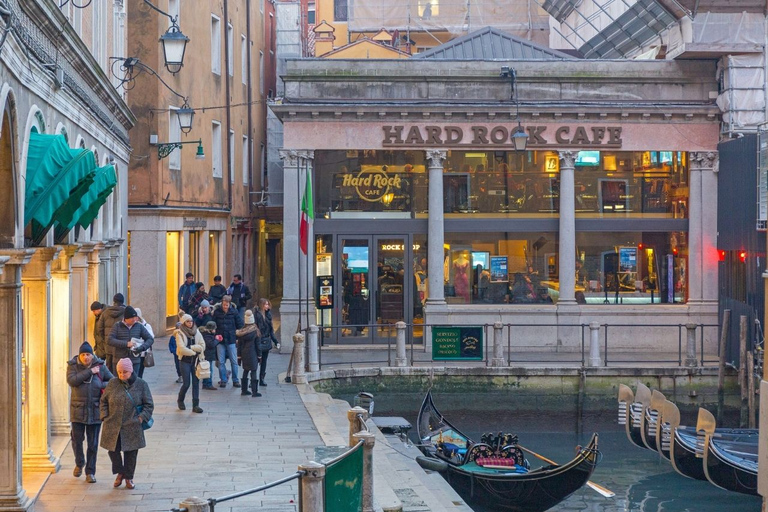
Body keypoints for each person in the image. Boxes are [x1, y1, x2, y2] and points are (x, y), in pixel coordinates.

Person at [100, 357, 153, 490]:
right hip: (112, 423)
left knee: (131, 453)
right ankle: (120, 472)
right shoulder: (112, 383)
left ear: (131, 371)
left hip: (132, 424)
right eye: (120, 372)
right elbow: (103, 401)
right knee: (113, 450)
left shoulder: (141, 384)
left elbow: (149, 404)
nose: (122, 375)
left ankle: (128, 477)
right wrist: (104, 415)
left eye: (125, 372)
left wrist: (141, 418)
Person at [67, 341, 113, 483]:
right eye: (83, 355)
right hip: (77, 410)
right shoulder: (73, 366)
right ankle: (79, 463)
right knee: (77, 440)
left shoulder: (100, 366)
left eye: (88, 354)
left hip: (94, 410)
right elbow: (72, 381)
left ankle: (90, 472)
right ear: (79, 356)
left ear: (92, 355)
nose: (86, 357)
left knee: (92, 443)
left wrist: (100, 384)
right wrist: (89, 372)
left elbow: (112, 382)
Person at [108, 306, 154, 372]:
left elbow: (150, 339)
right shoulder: (117, 326)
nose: (134, 320)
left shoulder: (139, 326)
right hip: (119, 360)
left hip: (134, 360)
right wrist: (126, 344)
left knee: (134, 381)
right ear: (126, 319)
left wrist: (142, 347)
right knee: (120, 381)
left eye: (135, 317)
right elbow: (110, 340)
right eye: (132, 318)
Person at [174, 314, 205, 413]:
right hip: (185, 361)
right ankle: (180, 399)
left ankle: (195, 405)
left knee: (196, 383)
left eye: (191, 321)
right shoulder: (180, 333)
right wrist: (194, 352)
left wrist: (192, 348)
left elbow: (202, 345)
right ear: (183, 322)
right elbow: (181, 349)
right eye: (188, 321)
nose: (190, 323)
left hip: (195, 361)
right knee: (186, 383)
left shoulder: (197, 332)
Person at [212, 296, 243, 388]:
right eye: (224, 304)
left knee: (234, 361)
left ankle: (235, 380)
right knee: (221, 361)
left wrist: (237, 336)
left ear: (229, 304)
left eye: (227, 305)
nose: (225, 306)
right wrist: (215, 335)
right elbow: (213, 325)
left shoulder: (234, 312)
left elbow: (240, 325)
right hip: (220, 340)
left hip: (231, 339)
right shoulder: (217, 312)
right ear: (221, 303)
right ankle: (223, 379)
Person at [236, 310, 261, 397]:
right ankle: (255, 391)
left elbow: (239, 345)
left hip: (244, 353)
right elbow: (258, 345)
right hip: (253, 353)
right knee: (253, 371)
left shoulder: (241, 332)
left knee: (245, 370)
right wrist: (259, 356)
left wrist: (239, 357)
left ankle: (244, 390)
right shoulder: (255, 331)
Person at [254, 299, 279, 388]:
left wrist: (276, 341)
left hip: (266, 340)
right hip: (258, 340)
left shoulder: (268, 315)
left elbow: (271, 330)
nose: (267, 306)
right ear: (261, 305)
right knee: (256, 361)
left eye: (268, 304)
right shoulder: (256, 315)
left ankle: (262, 379)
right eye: (265, 304)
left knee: (264, 361)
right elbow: (255, 328)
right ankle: (253, 380)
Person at [101, 294, 126, 373]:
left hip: (108, 346)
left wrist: (104, 341)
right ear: (122, 301)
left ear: (114, 301)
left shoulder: (105, 313)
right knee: (121, 368)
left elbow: (99, 330)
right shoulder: (126, 312)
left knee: (109, 369)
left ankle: (110, 384)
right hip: (121, 346)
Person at [133, 308, 154, 379]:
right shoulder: (132, 326)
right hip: (133, 352)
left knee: (139, 372)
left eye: (136, 317)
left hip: (142, 353)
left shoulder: (146, 326)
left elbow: (151, 338)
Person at [199, 321, 218, 391]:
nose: (215, 330)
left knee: (206, 369)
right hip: (208, 355)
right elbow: (211, 345)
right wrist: (217, 340)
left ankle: (205, 384)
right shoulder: (207, 336)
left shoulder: (205, 334)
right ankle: (208, 384)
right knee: (209, 370)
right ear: (211, 329)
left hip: (207, 355)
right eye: (214, 329)